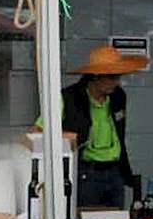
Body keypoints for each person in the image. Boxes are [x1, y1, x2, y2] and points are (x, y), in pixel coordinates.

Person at [33, 45, 144, 207]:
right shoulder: (68, 97)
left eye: (118, 76)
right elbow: (37, 132)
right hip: (85, 173)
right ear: (95, 76)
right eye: (111, 77)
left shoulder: (118, 96)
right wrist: (66, 138)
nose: (116, 82)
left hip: (115, 171)